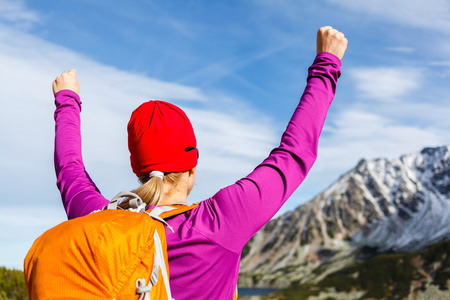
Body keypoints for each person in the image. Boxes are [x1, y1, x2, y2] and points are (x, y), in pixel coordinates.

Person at [52, 26, 347, 299]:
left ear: (136, 168)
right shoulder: (221, 221)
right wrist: (327, 63)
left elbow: (70, 170)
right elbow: (294, 153)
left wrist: (68, 100)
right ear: (193, 165)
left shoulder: (97, 218)